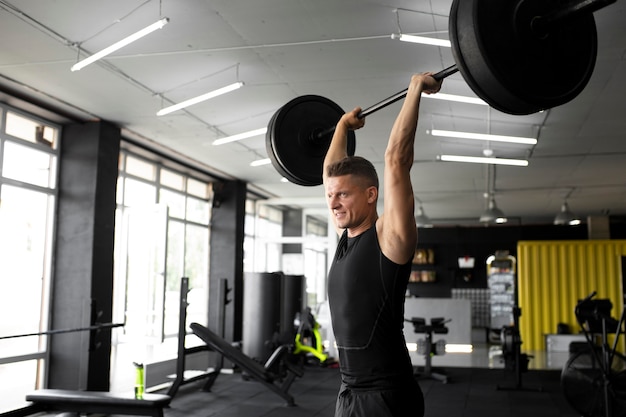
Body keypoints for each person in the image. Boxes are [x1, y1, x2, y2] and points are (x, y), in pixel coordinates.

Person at [322, 72, 443, 417]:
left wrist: (415, 89)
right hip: (348, 392)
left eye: (343, 194)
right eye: (331, 196)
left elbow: (396, 159)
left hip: (386, 395)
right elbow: (330, 171)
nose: (332, 203)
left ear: (371, 194)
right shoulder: (344, 238)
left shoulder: (389, 238)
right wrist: (341, 128)